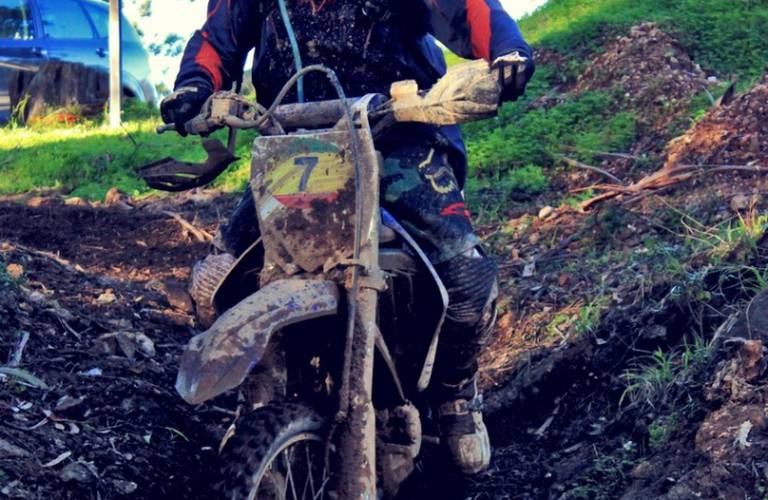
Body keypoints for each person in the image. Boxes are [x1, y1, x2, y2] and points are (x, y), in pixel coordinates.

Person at [161, 0, 534, 475]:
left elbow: (466, 10)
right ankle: (257, 393)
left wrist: (507, 51)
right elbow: (218, 37)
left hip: (401, 136)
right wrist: (194, 85)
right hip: (295, 147)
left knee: (467, 276)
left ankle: (455, 392)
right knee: (215, 283)